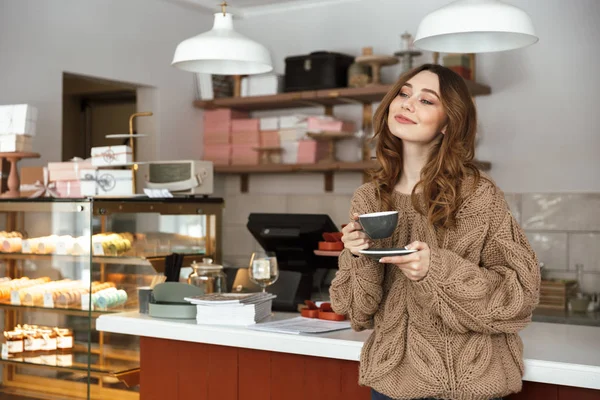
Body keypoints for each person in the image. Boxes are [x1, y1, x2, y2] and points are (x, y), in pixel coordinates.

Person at [329, 64, 540, 400]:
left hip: (469, 384)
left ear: (448, 123)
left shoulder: (476, 194)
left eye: (427, 101)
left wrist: (434, 270)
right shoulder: (369, 197)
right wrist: (357, 254)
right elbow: (356, 311)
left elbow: (518, 296)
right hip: (390, 383)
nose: (407, 104)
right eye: (403, 93)